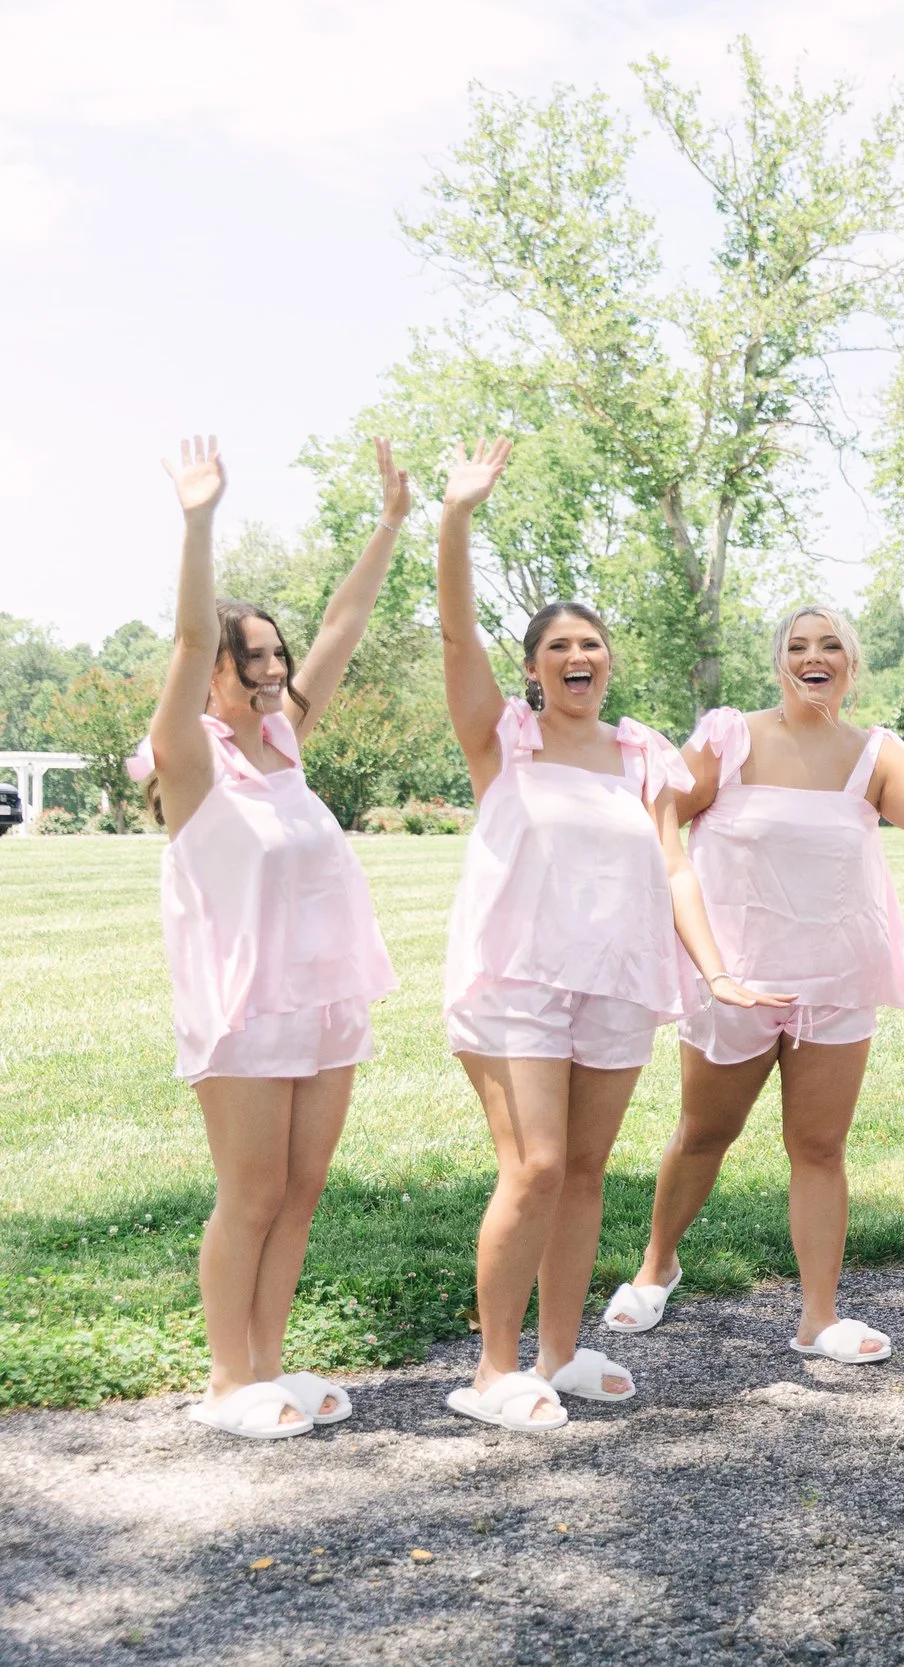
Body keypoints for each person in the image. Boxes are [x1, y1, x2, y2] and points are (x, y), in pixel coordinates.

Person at [604, 605, 904, 1363]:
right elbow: (664, 814)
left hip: (835, 981)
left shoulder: (877, 754)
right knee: (706, 1133)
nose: (815, 656)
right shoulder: (731, 735)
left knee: (820, 1145)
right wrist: (703, 952)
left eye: (831, 645)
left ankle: (818, 1316)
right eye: (799, 646)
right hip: (735, 982)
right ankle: (656, 1265)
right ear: (779, 662)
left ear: (851, 666)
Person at [434, 438, 773, 1431]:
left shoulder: (639, 755)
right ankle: (494, 1370)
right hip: (520, 979)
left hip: (617, 982)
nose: (579, 658)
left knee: (583, 1171)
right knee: (534, 1164)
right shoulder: (505, 738)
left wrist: (718, 970)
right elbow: (457, 638)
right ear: (534, 669)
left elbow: (674, 865)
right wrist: (456, 516)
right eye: (559, 648)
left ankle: (559, 1351)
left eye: (592, 645)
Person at [135, 435, 403, 1439]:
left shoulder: (284, 743)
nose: (269, 672)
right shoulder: (189, 763)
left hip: (321, 1000)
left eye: (274, 659)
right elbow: (184, 634)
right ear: (209, 671)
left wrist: (389, 523)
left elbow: (345, 621)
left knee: (299, 1189)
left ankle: (267, 1366)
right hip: (240, 1007)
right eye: (246, 661)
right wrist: (199, 520)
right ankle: (224, 1379)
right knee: (249, 1192)